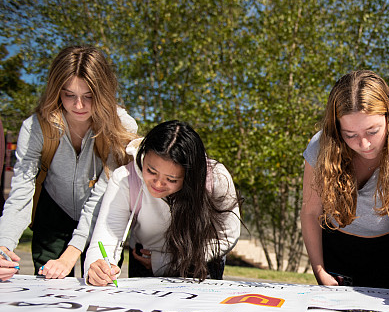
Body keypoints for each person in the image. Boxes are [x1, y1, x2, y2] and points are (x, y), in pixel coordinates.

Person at [0, 46, 138, 280]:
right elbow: (22, 191)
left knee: (98, 282)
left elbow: (103, 193)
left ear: (103, 93)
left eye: (89, 96)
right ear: (56, 91)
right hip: (52, 212)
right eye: (69, 95)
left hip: (100, 215)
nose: (79, 106)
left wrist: (71, 254)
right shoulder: (35, 127)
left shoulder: (122, 127)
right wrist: (3, 247)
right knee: (46, 285)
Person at [301, 70, 389, 307]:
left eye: (373, 131)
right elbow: (311, 212)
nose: (364, 144)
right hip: (336, 251)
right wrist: (319, 270)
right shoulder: (320, 147)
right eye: (350, 135)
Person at [85, 120, 240, 285]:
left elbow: (227, 235)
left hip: (201, 262)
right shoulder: (124, 179)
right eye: (151, 171)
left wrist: (164, 260)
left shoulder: (216, 179)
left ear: (189, 176)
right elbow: (107, 236)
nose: (158, 184)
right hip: (144, 260)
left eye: (171, 179)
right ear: (143, 154)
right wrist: (97, 267)